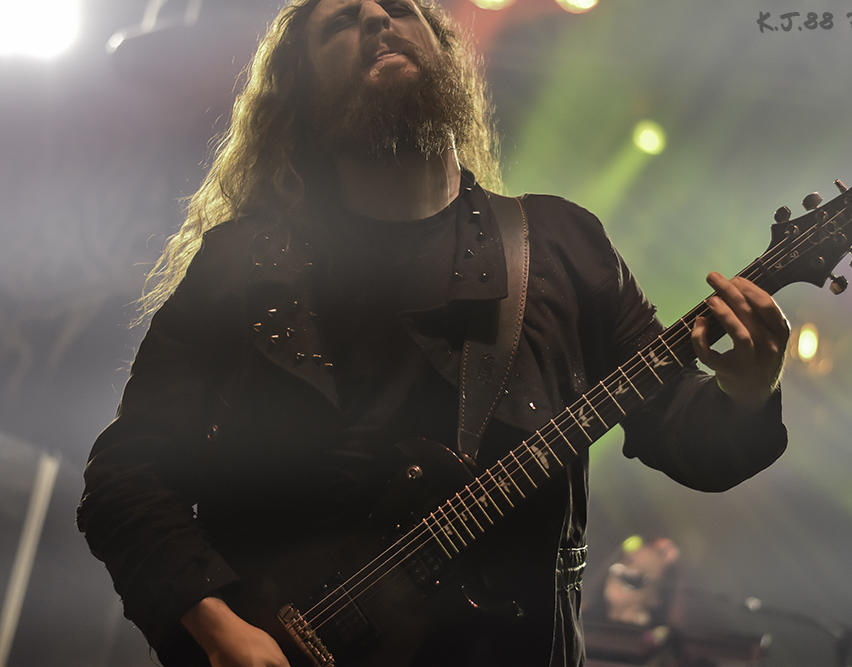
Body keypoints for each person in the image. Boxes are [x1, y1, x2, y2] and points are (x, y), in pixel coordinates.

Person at [77, 1, 790, 666]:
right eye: (342, 20)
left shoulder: (561, 244)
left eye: (400, 6)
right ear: (301, 93)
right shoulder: (245, 266)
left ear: (444, 49)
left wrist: (751, 393)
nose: (377, 18)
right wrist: (220, 630)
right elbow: (125, 478)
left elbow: (687, 439)